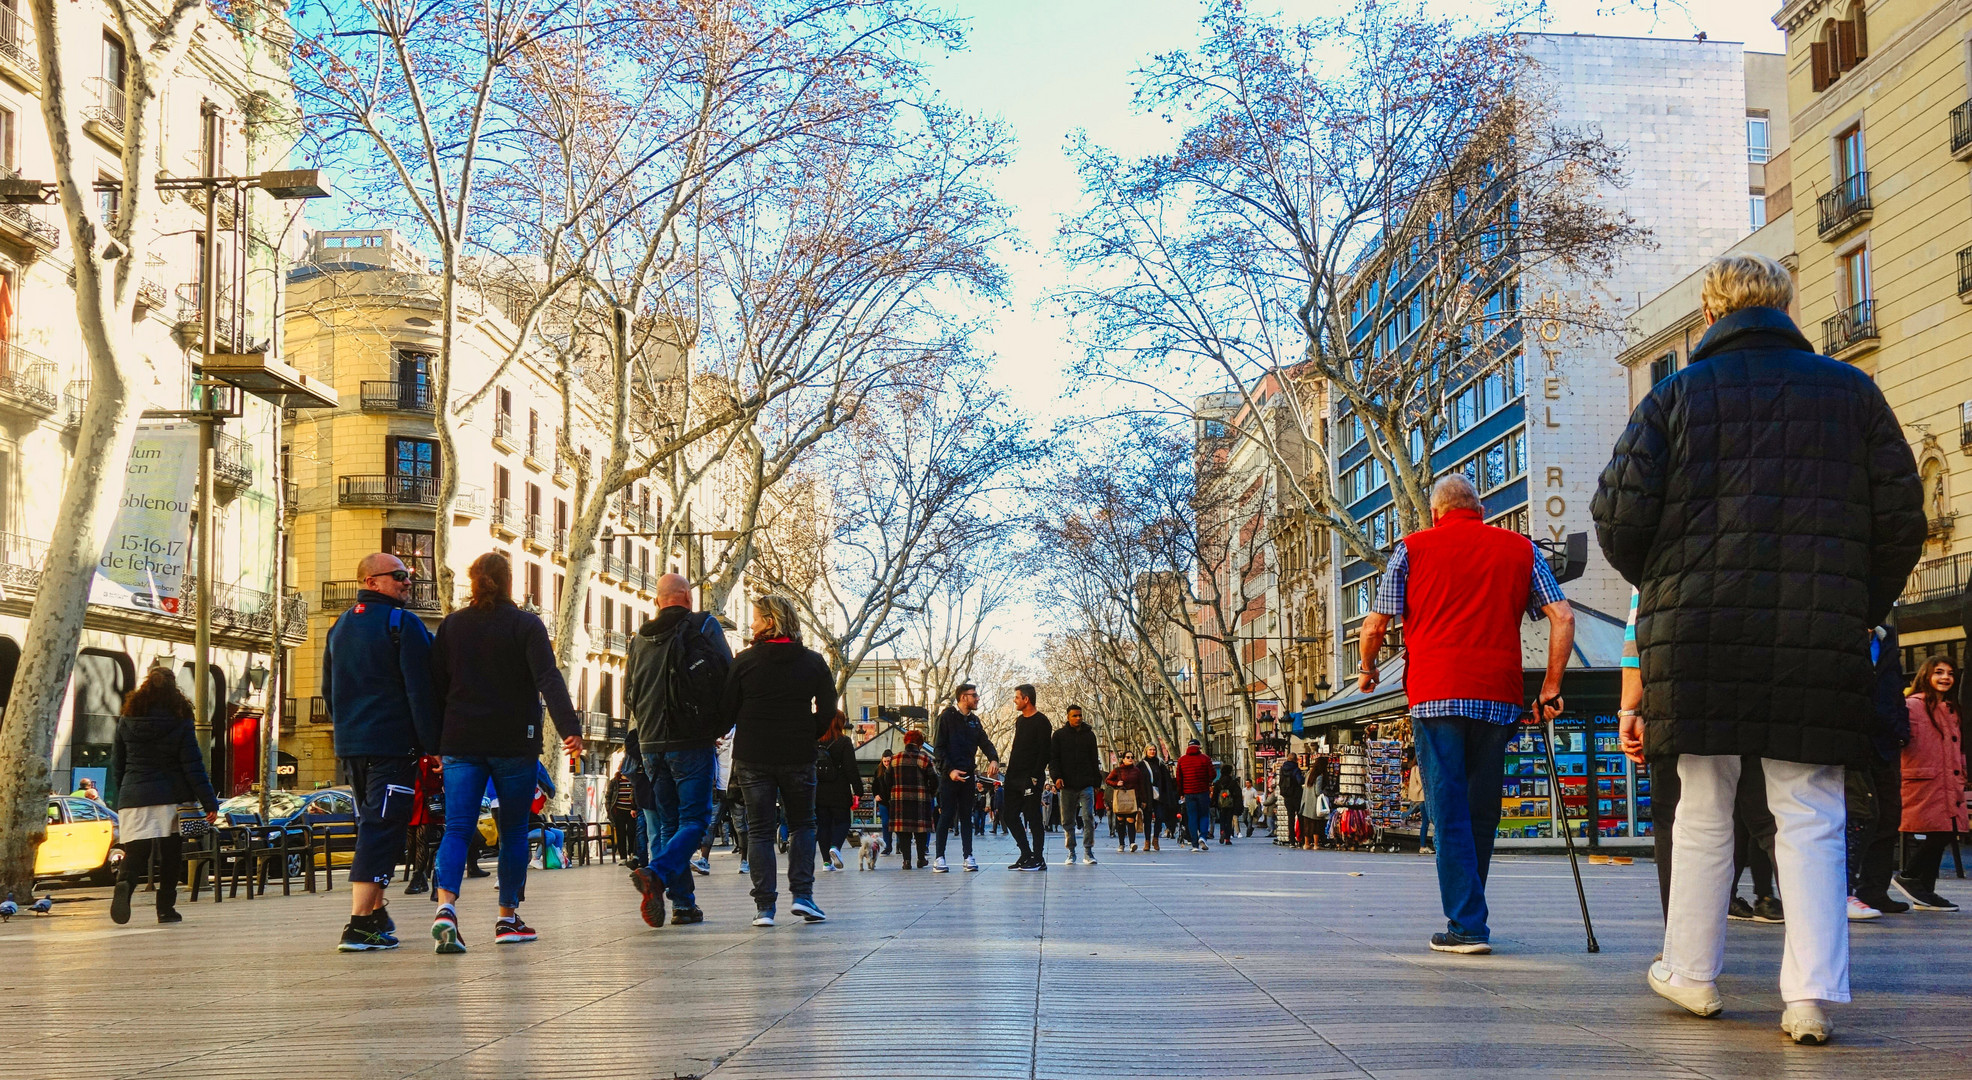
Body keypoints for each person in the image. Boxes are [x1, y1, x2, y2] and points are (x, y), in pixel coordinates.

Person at [1593, 253, 1925, 1044]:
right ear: (1787, 306)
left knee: (1703, 803)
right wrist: (1856, 603)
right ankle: (1809, 996)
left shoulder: (1672, 399)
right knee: (1809, 808)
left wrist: (1668, 584)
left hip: (1698, 629)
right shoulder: (1852, 393)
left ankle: (1693, 975)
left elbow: (1617, 518)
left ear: (1710, 316)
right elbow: (1903, 518)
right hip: (1818, 631)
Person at [1360, 473, 1574, 956]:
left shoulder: (1411, 549)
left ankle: (1467, 924)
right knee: (1482, 808)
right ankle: (1470, 911)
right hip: (1498, 696)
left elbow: (1375, 624)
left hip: (1435, 694)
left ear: (1435, 512)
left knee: (1448, 808)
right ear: (1479, 508)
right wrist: (1552, 685)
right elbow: (1562, 616)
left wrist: (1367, 669)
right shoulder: (1520, 549)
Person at [427, 552, 584, 954]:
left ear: (473, 581)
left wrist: (434, 744)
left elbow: (435, 688)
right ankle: (507, 918)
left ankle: (446, 908)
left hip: (460, 741)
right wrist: (569, 729)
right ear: (509, 582)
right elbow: (548, 678)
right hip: (515, 742)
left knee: (458, 827)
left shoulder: (452, 626)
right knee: (513, 829)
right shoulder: (526, 625)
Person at [321, 551, 441, 951]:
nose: (408, 582)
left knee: (376, 825)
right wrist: (433, 745)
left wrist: (348, 731)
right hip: (392, 748)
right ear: (371, 581)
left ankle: (374, 914)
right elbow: (419, 690)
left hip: (352, 746)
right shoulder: (402, 623)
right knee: (382, 829)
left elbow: (328, 692)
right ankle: (357, 925)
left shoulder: (337, 627)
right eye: (400, 576)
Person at [625, 573, 733, 929]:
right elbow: (728, 678)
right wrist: (717, 727)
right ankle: (656, 874)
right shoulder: (703, 625)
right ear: (687, 596)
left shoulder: (638, 639)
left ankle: (683, 906)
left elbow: (630, 695)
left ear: (658, 600)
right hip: (690, 742)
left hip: (651, 744)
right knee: (696, 820)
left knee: (670, 824)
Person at [725, 594, 836, 925]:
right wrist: (807, 732)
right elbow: (828, 711)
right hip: (797, 755)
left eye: (756, 617)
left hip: (753, 756)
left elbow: (727, 709)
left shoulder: (744, 662)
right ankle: (803, 896)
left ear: (770, 621)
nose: (751, 623)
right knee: (803, 824)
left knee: (759, 829)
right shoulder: (814, 662)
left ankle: (764, 908)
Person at [107, 669, 219, 926]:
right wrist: (209, 802)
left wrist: (122, 795)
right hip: (173, 797)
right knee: (171, 854)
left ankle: (124, 883)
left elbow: (117, 763)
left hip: (134, 796)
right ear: (173, 690)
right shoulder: (180, 720)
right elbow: (193, 766)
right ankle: (166, 910)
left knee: (136, 852)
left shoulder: (127, 720)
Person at [1894, 656, 1965, 912]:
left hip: (1948, 780)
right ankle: (1910, 876)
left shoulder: (1951, 708)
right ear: (1926, 675)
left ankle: (1925, 892)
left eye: (1950, 673)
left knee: (1943, 830)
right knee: (1940, 831)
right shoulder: (1912, 705)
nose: (1945, 677)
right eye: (1939, 672)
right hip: (1924, 779)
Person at [933, 683, 1000, 872]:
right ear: (963, 697)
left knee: (966, 815)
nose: (977, 698)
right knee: (946, 815)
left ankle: (968, 856)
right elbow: (938, 749)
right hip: (949, 776)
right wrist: (950, 770)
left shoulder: (975, 721)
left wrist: (993, 759)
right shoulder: (946, 717)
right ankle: (939, 857)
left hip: (969, 775)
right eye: (974, 695)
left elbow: (985, 742)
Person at [1003, 684, 1053, 871]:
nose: (1014, 700)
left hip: (1030, 778)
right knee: (1009, 815)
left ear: (1026, 699)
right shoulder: (1019, 721)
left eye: (1017, 697)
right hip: (1013, 776)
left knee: (1033, 816)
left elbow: (1045, 752)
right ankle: (1025, 853)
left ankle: (1039, 858)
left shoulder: (1042, 722)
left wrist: (1034, 775)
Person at [1050, 704, 1101, 865]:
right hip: (1066, 785)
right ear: (1067, 717)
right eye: (1074, 716)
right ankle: (1071, 851)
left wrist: (1097, 782)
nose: (1078, 718)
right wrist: (1056, 777)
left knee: (1088, 817)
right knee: (1067, 820)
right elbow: (1053, 759)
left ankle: (1088, 851)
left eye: (1080, 715)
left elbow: (1094, 759)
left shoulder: (1089, 735)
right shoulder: (1059, 736)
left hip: (1086, 784)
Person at [815, 711, 863, 872]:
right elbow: (851, 768)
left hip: (819, 790)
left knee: (823, 825)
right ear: (840, 723)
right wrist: (858, 790)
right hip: (839, 789)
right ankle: (835, 847)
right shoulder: (843, 741)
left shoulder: (816, 741)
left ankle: (826, 863)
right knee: (843, 822)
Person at [889, 729, 937, 868]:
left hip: (899, 800)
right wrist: (930, 794)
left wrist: (893, 793)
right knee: (920, 831)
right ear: (920, 744)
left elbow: (887, 780)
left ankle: (906, 861)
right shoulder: (925, 759)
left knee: (903, 832)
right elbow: (934, 781)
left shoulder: (895, 759)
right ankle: (921, 859)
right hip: (921, 800)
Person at [405, 755, 445, 894]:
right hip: (411, 801)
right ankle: (420, 876)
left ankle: (416, 876)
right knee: (411, 843)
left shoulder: (433, 756)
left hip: (426, 802)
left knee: (421, 840)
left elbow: (440, 775)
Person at [1105, 751, 1149, 852]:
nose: (1130, 759)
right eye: (1128, 757)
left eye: (1132, 757)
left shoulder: (1137, 771)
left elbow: (1141, 786)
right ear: (1123, 759)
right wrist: (1116, 783)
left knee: (1131, 820)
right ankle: (1121, 844)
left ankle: (1132, 843)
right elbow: (1107, 780)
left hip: (1133, 798)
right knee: (1120, 820)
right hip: (1120, 798)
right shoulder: (1117, 770)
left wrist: (1143, 800)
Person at [1175, 740, 1214, 851]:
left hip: (1189, 793)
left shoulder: (1182, 760)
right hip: (1202, 791)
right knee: (1204, 815)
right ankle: (1202, 836)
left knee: (1192, 817)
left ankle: (1194, 844)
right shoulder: (1205, 759)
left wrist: (1181, 793)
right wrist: (1207, 781)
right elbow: (1212, 774)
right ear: (1199, 747)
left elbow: (1179, 779)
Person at [1139, 745, 1170, 852]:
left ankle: (1155, 839)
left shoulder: (1160, 764)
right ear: (1146, 751)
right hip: (1146, 795)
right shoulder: (1141, 765)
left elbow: (1166, 780)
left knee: (1160, 816)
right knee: (1147, 818)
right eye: (1150, 750)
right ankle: (1147, 841)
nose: (1152, 751)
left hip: (1159, 794)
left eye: (1154, 750)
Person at [1212, 763, 1244, 844]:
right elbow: (1238, 795)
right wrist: (1239, 806)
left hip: (1221, 804)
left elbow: (1215, 794)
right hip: (1230, 804)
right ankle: (1227, 839)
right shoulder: (1233, 783)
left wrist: (1214, 803)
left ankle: (1222, 831)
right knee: (1229, 821)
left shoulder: (1218, 782)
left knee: (1222, 819)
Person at [872, 750, 896, 856]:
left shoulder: (895, 770)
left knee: (896, 824)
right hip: (883, 800)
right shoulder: (879, 770)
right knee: (885, 823)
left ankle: (899, 845)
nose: (886, 763)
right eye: (885, 761)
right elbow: (875, 784)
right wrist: (876, 795)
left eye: (888, 761)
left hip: (895, 800)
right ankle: (887, 846)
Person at [1277, 756, 1305, 846]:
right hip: (1296, 795)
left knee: (1290, 818)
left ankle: (1291, 840)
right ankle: (1302, 839)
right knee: (1300, 817)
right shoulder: (1296, 769)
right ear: (1295, 760)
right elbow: (1300, 781)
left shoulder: (1282, 769)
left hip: (1287, 795)